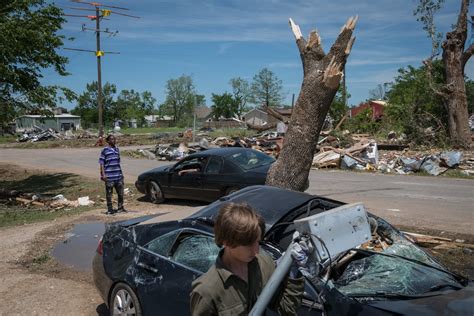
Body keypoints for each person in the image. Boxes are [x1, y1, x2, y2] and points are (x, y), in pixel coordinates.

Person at [190, 203, 305, 316]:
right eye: (248, 245)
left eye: (258, 242)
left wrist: (293, 272)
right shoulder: (207, 291)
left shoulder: (264, 264)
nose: (256, 251)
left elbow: (286, 310)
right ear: (227, 242)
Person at [99, 134, 126, 214]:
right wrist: (103, 174)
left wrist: (121, 174)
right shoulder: (105, 150)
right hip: (109, 176)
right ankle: (110, 209)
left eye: (114, 139)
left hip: (118, 176)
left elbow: (118, 163)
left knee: (120, 193)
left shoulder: (117, 149)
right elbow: (101, 163)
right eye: (111, 139)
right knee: (109, 194)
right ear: (108, 141)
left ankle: (120, 208)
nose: (113, 141)